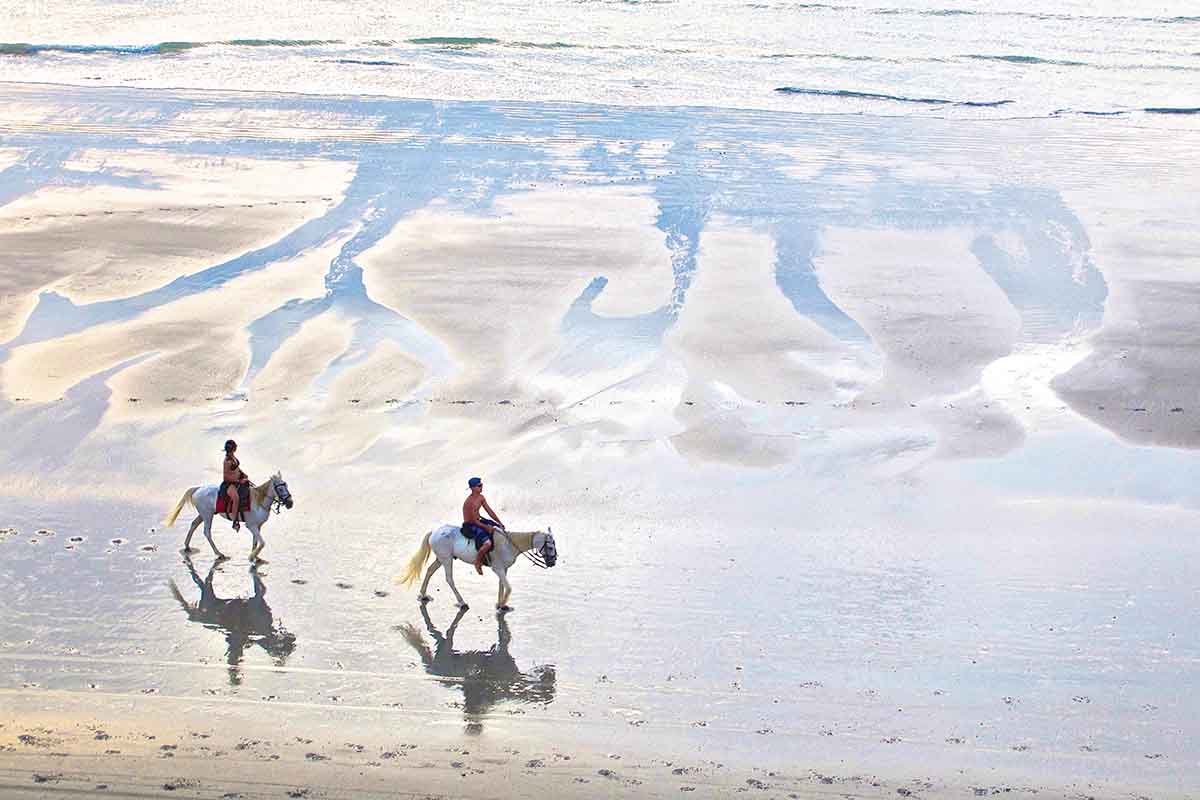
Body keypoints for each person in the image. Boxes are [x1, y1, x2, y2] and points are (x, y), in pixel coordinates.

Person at [462, 477, 503, 575]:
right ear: (472, 488)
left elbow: (489, 511)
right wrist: (486, 527)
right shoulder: (469, 502)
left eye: (482, 485)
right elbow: (473, 521)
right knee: (487, 543)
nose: (481, 487)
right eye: (479, 486)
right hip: (470, 525)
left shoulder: (481, 497)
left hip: (478, 520)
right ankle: (477, 562)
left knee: (499, 530)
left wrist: (499, 523)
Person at [221, 439, 251, 531]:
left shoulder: (233, 457)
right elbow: (226, 477)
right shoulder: (227, 461)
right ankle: (235, 521)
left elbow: (237, 469)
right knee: (236, 498)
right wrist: (239, 481)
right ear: (232, 449)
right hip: (229, 484)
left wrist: (243, 474)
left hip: (237, 481)